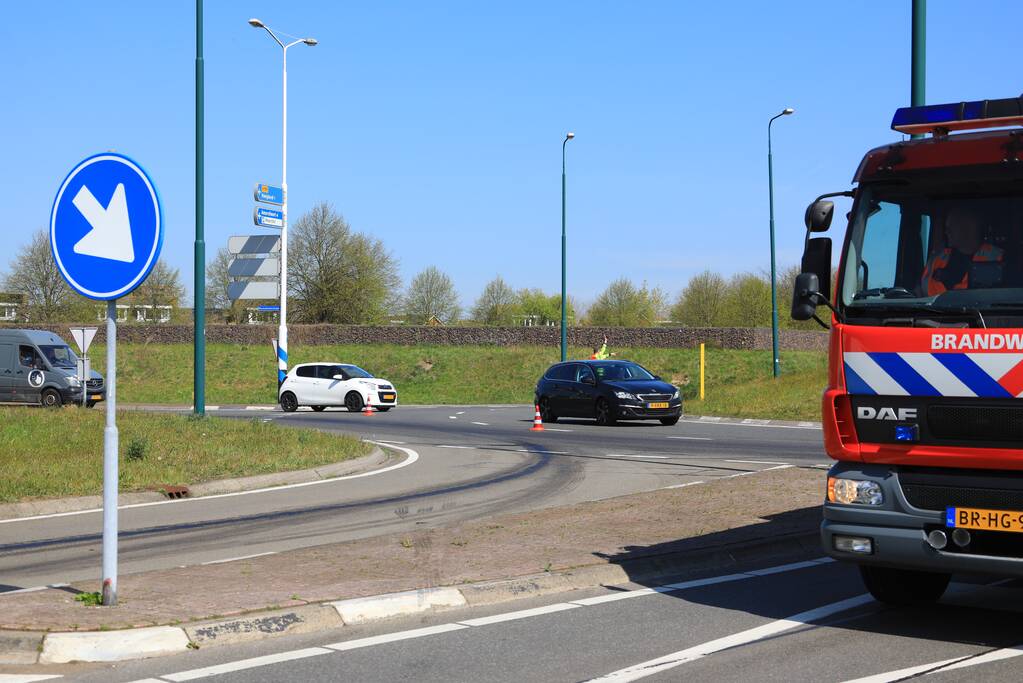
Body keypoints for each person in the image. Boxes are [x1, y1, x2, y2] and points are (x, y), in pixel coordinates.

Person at [921, 208, 1004, 296]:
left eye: (950, 228)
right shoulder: (937, 258)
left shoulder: (997, 257)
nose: (946, 232)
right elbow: (920, 292)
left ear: (967, 228)